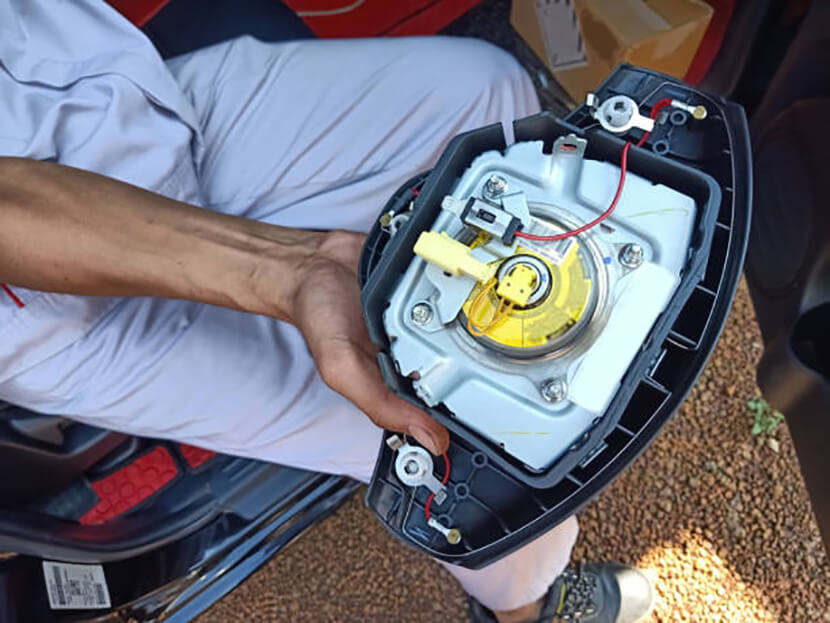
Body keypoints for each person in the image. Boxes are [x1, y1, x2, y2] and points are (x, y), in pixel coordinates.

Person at [0, 1, 654, 621]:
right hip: (62, 298)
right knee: (462, 447)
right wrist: (290, 266)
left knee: (487, 95)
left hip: (116, 98)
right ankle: (526, 605)